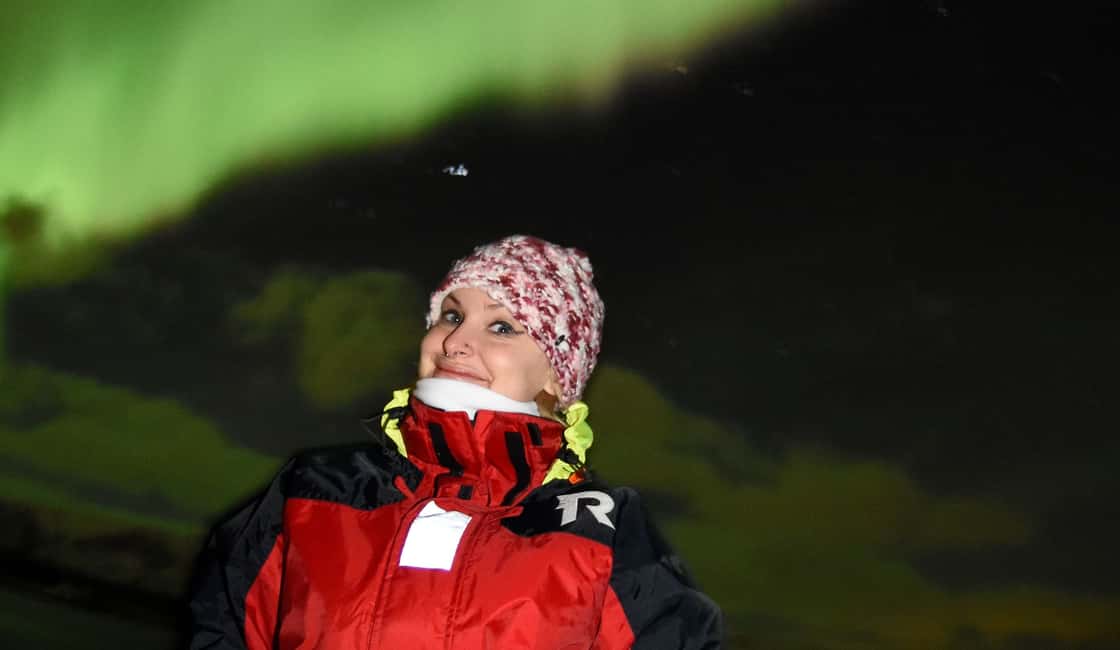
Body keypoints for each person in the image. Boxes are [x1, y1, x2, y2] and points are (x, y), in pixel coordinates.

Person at [188, 234, 722, 649]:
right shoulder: (315, 490)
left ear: (557, 377)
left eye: (503, 327)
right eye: (451, 315)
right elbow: (225, 622)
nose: (456, 341)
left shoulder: (601, 529)